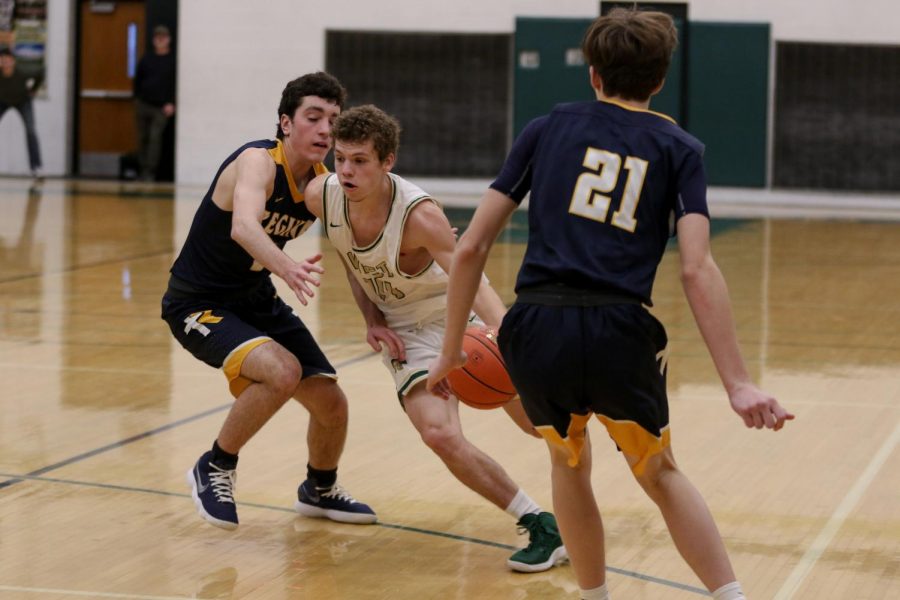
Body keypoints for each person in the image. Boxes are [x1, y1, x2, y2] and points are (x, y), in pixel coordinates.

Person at [428, 8, 795, 600]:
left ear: (592, 73)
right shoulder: (680, 147)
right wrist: (738, 383)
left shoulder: (545, 130)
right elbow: (698, 268)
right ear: (659, 78)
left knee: (568, 463)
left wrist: (450, 353)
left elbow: (469, 246)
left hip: (538, 324)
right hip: (618, 328)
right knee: (659, 471)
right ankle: (731, 596)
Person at [302, 104, 568, 573]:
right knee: (439, 433)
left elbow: (475, 277)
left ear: (387, 162)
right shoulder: (320, 196)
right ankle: (540, 521)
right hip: (404, 331)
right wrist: (371, 318)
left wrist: (505, 337)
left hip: (455, 318)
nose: (346, 169)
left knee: (534, 423)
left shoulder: (420, 217)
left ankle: (599, 461)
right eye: (341, 158)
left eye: (360, 160)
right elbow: (349, 259)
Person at [161, 72, 376, 531]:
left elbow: (353, 254)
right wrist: (288, 268)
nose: (325, 130)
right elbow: (243, 226)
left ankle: (319, 488)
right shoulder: (258, 161)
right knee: (281, 372)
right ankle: (215, 465)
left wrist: (374, 319)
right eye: (313, 117)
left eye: (333, 120)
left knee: (331, 404)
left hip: (255, 298)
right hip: (197, 303)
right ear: (285, 122)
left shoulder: (323, 184)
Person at [133, 25, 176, 181]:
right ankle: (142, 170)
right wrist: (137, 98)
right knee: (142, 139)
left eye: (163, 37)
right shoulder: (146, 59)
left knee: (154, 139)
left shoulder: (172, 61)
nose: (160, 40)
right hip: (144, 104)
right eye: (157, 37)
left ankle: (150, 172)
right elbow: (138, 80)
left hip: (161, 107)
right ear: (154, 40)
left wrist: (171, 102)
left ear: (168, 40)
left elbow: (174, 84)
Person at [0, 47, 43, 178]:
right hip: (2, 101)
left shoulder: (23, 71)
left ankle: (36, 167)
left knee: (30, 130)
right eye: (2, 60)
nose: (5, 63)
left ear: (13, 61)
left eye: (8, 60)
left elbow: (41, 72)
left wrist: (34, 89)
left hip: (23, 101)